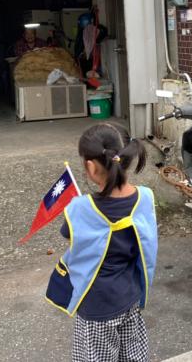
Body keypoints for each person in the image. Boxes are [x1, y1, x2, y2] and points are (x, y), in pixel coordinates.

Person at [45, 124, 158, 362]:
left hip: (96, 305)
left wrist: (81, 207)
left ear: (90, 166)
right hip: (131, 294)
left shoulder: (79, 208)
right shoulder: (145, 197)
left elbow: (70, 235)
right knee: (133, 356)